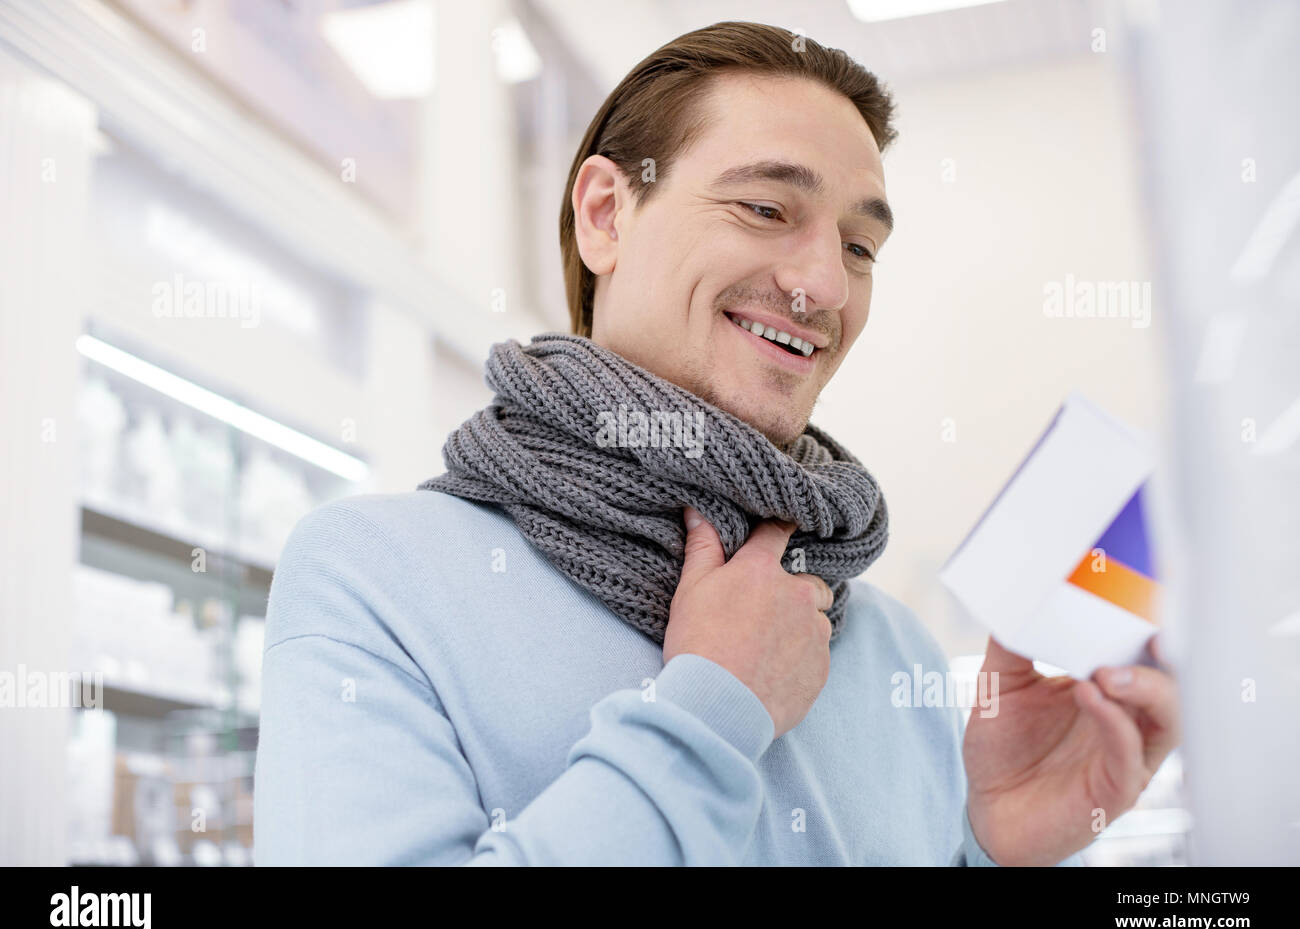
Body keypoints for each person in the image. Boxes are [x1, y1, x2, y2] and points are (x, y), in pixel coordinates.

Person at [253, 21, 1179, 866]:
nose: (825, 284)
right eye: (767, 210)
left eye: (860, 247)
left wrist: (988, 846)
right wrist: (711, 712)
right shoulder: (374, 577)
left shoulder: (882, 639)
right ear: (606, 215)